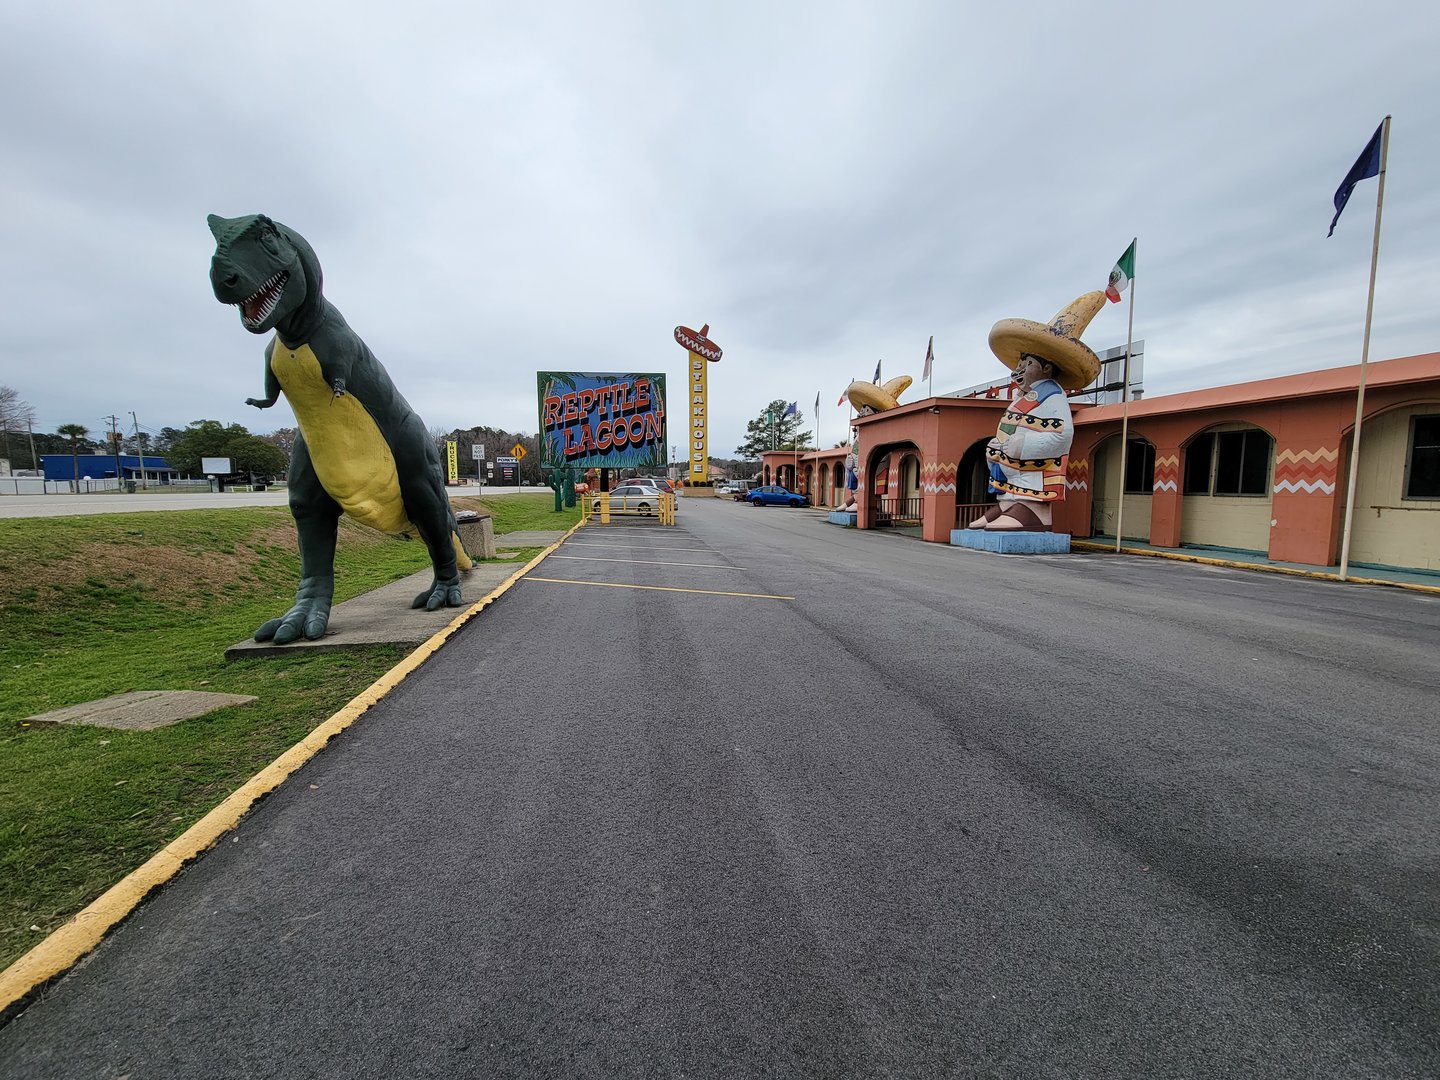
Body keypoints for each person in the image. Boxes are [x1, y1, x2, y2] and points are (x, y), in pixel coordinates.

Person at [969, 291, 1105, 532]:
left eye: (1028, 363)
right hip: (1010, 475)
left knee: (1031, 486)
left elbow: (1062, 435)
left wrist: (1023, 446)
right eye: (1020, 363)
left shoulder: (1053, 396)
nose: (1019, 369)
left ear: (1046, 368)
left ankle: (1034, 511)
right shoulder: (1021, 398)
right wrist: (995, 448)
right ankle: (1009, 506)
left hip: (1035, 474)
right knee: (1007, 489)